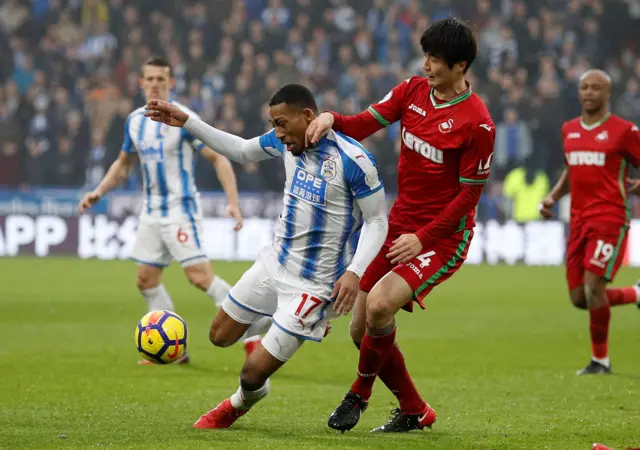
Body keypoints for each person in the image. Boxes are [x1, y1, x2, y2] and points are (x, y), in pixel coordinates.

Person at [144, 83, 389, 429]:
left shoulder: (353, 161)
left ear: (307, 116)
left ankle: (235, 405)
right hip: (274, 264)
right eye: (273, 124)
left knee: (251, 373)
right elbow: (243, 150)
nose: (278, 133)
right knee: (219, 336)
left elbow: (378, 221)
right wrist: (188, 122)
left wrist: (355, 272)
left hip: (315, 286)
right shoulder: (285, 142)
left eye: (282, 123)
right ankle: (292, 324)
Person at [305, 18, 496, 432]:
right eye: (425, 55)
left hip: (443, 236)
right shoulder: (411, 91)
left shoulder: (477, 123)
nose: (426, 64)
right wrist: (331, 118)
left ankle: (359, 393)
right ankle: (414, 409)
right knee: (360, 330)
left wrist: (423, 238)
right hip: (400, 225)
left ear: (461, 66)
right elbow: (365, 123)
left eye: (436, 59)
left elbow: (468, 196)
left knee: (377, 306)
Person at [78, 56, 255, 364]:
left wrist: (233, 203)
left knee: (199, 277)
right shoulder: (134, 121)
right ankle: (176, 351)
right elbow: (124, 164)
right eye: (150, 79)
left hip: (180, 210)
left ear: (171, 83)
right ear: (141, 83)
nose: (155, 84)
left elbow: (219, 158)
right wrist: (99, 191)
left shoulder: (184, 119)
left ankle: (252, 332)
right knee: (146, 279)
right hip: (151, 212)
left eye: (162, 79)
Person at [540, 69, 640, 375]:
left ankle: (601, 360)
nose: (589, 93)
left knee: (593, 286)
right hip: (579, 220)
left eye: (596, 88)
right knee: (579, 297)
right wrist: (553, 198)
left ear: (607, 94)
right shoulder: (569, 129)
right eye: (584, 87)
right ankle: (636, 294)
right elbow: (572, 170)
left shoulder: (624, 131)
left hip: (610, 217)